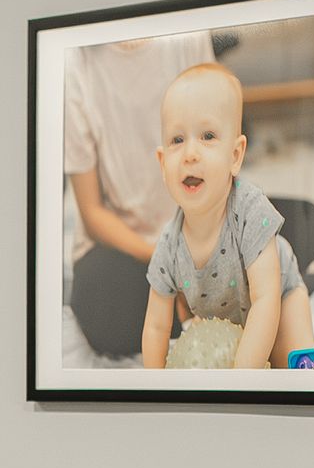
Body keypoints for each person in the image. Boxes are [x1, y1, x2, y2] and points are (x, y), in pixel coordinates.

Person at [141, 61, 314, 371]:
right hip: (224, 321)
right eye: (177, 140)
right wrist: (154, 387)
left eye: (207, 136)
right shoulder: (169, 244)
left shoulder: (249, 210)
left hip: (279, 297)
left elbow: (265, 299)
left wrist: (242, 377)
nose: (190, 153)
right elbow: (156, 327)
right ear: (162, 162)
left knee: (294, 369)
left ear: (235, 156)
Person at [63, 28, 212, 356]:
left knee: (295, 225)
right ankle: (189, 311)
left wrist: (202, 254)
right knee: (103, 309)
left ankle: (198, 308)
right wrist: (169, 264)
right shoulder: (74, 63)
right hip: (127, 251)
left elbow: (214, 151)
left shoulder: (186, 34)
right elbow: (92, 213)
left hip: (197, 230)